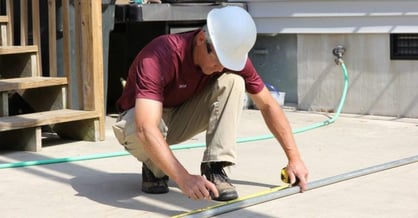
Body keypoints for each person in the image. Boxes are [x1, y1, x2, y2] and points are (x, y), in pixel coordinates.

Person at [112, 6, 308, 201]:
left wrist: (295, 159)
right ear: (200, 40)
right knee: (142, 128)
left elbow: (268, 105)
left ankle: (214, 167)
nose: (221, 67)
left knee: (233, 81)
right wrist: (184, 178)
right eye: (219, 60)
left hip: (178, 120)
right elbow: (145, 128)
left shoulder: (229, 59)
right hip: (137, 125)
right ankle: (154, 168)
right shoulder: (159, 54)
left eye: (227, 62)